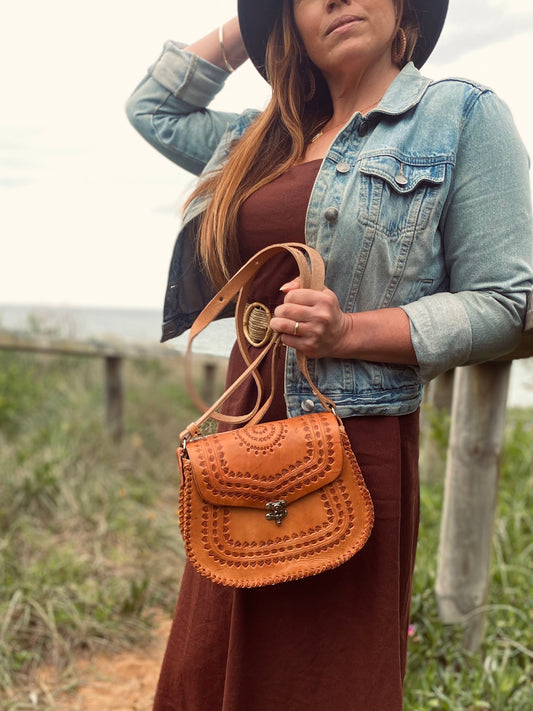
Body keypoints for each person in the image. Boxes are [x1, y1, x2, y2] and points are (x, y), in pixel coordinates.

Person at [126, 1, 533, 709]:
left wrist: (351, 332)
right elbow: (153, 107)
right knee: (207, 666)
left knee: (319, 680)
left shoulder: (460, 116)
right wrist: (252, 31)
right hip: (241, 438)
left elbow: (507, 301)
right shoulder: (259, 138)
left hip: (352, 441)